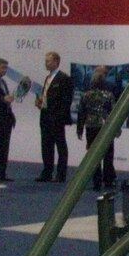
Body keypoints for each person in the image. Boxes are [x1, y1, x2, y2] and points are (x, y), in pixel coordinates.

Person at [75, 65, 117, 191]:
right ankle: (108, 180)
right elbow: (114, 112)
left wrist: (79, 128)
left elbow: (81, 113)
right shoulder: (109, 95)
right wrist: (116, 129)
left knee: (93, 155)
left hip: (91, 126)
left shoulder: (85, 96)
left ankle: (96, 182)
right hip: (106, 127)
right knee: (108, 154)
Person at [34, 51, 74, 182]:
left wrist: (59, 116)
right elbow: (48, 97)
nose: (46, 63)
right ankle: (47, 172)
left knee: (60, 145)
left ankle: (61, 174)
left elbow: (66, 100)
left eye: (48, 61)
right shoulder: (48, 78)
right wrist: (41, 102)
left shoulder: (64, 78)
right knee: (46, 145)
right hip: (45, 116)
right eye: (46, 61)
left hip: (57, 118)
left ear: (56, 62)